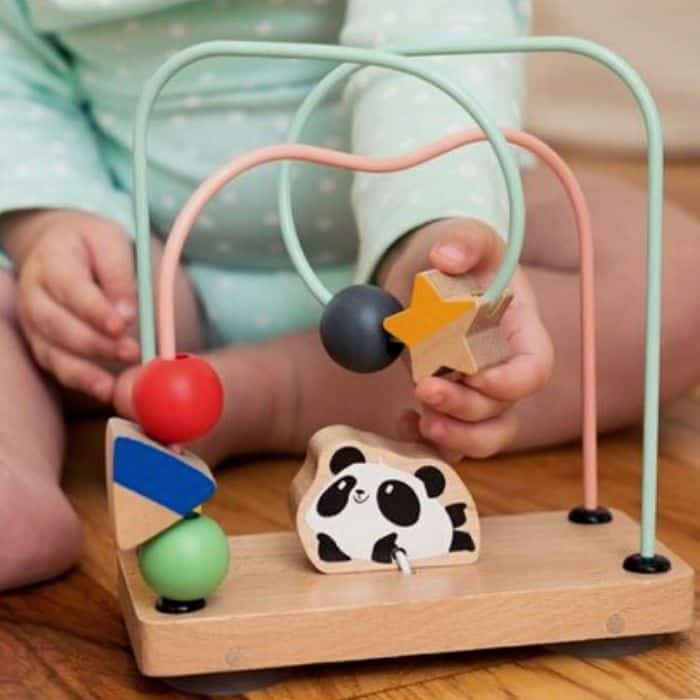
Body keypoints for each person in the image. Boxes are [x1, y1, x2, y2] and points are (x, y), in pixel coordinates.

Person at [0, 0, 698, 593]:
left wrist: (434, 229)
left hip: (408, 251)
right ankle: (14, 464)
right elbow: (13, 65)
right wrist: (51, 217)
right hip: (140, 258)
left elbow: (434, 36)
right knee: (27, 297)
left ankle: (250, 396)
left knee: (667, 272)